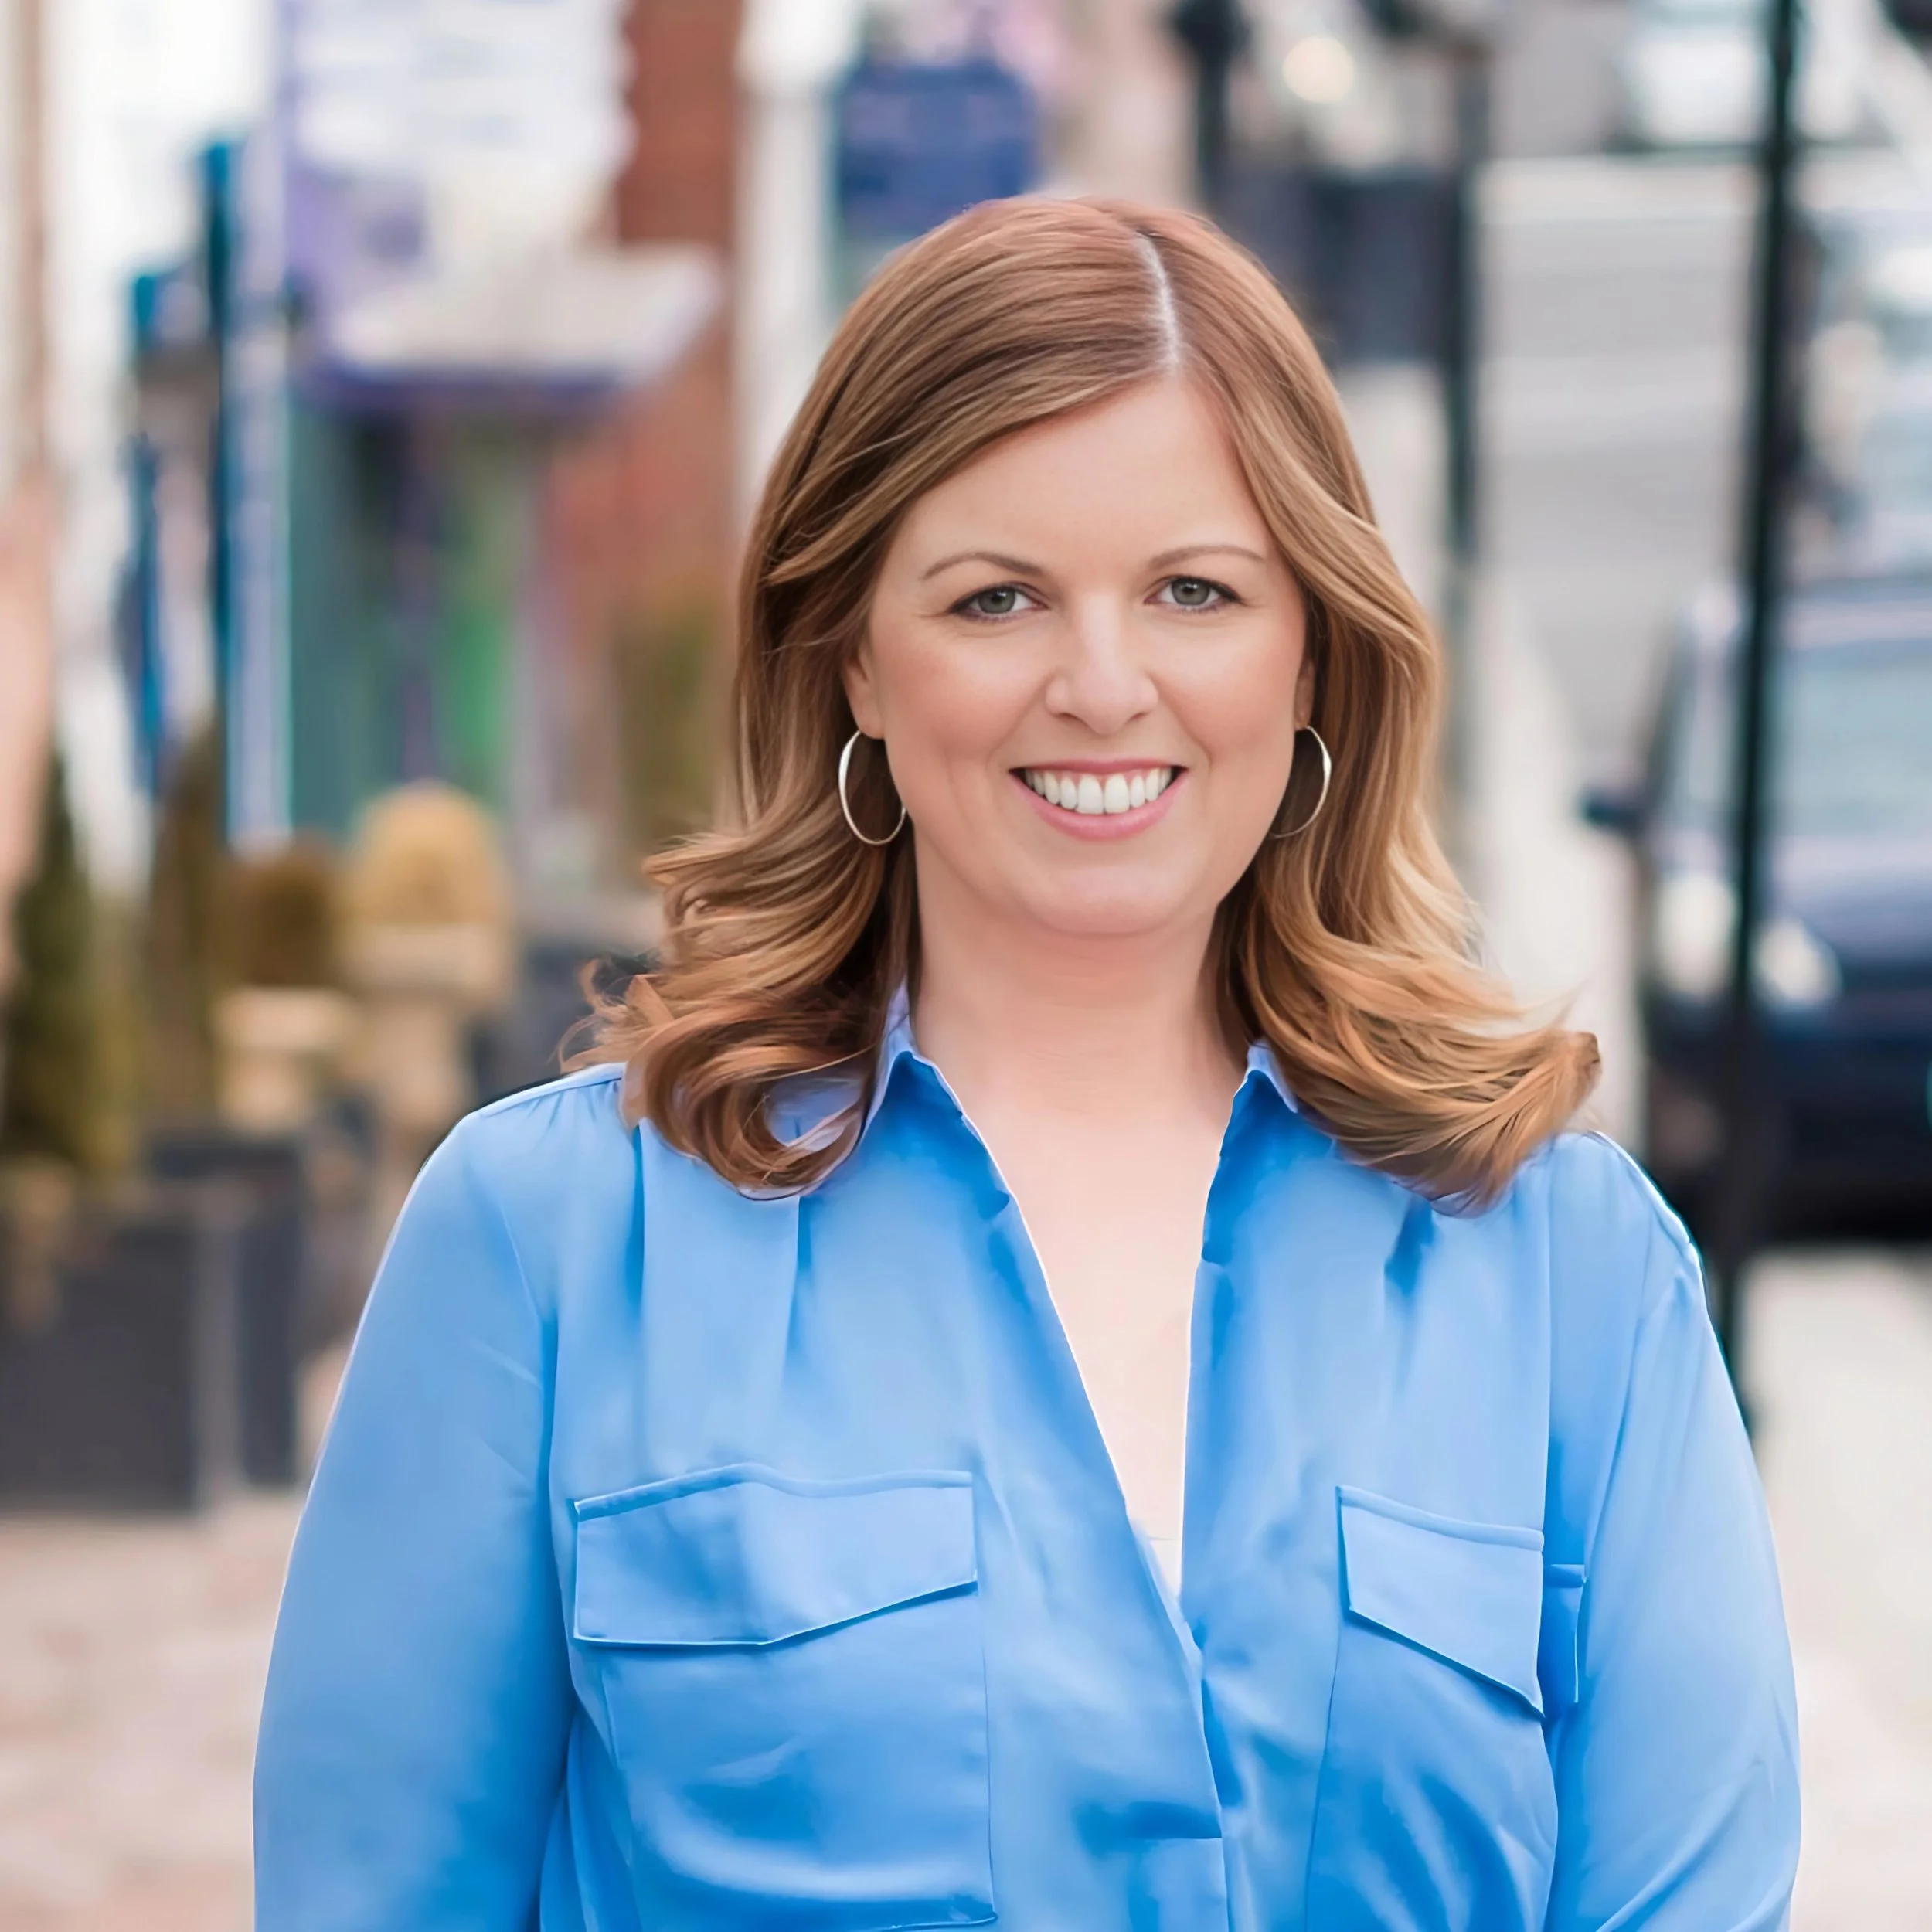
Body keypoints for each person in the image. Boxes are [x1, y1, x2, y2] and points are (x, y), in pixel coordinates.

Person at [253, 198, 1799, 1930]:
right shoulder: (544, 1245)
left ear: (1309, 652)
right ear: (850, 652)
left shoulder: (1566, 1269)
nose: (1099, 681)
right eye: (995, 598)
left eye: (1193, 591)